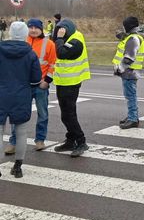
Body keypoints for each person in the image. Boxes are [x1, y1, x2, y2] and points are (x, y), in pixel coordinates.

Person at [5, 19, 56, 155]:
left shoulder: (49, 43)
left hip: (40, 85)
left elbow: (52, 64)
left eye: (36, 27)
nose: (33, 30)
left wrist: (47, 81)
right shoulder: (22, 41)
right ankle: (13, 142)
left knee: (42, 114)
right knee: (17, 115)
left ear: (41, 29)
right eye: (30, 27)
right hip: (24, 86)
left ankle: (40, 140)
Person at [0, 21, 42, 178]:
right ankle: (18, 167)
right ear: (25, 34)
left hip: (1, 93)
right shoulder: (30, 54)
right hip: (21, 95)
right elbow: (36, 79)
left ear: (9, 33)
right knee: (21, 132)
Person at [52, 19, 91, 157]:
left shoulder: (76, 41)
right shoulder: (68, 38)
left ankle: (81, 141)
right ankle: (70, 140)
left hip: (71, 83)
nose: (59, 32)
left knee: (69, 115)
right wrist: (56, 37)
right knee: (65, 115)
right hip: (62, 82)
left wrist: (59, 38)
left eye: (61, 30)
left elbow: (61, 53)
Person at [113, 16, 144, 129]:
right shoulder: (132, 37)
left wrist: (119, 69)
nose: (123, 28)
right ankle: (132, 116)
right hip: (129, 72)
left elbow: (129, 58)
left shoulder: (134, 39)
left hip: (129, 72)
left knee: (130, 96)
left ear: (128, 27)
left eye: (124, 26)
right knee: (130, 95)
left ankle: (133, 119)